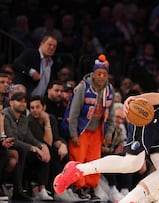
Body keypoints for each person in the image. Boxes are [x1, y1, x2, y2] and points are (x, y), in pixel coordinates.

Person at [60, 54, 115, 200]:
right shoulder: (82, 87)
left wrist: (109, 133)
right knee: (78, 158)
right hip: (81, 129)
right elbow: (73, 113)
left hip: (97, 131)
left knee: (94, 160)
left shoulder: (110, 90)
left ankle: (90, 188)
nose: (101, 77)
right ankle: (77, 188)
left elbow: (112, 114)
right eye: (99, 73)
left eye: (104, 74)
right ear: (93, 73)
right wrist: (73, 134)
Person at [2, 92, 51, 201]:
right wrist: (33, 148)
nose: (23, 104)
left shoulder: (24, 118)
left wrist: (40, 146)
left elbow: (28, 136)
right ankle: (14, 188)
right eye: (19, 101)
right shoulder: (5, 115)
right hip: (5, 146)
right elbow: (12, 138)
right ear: (11, 102)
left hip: (19, 148)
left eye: (24, 101)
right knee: (20, 151)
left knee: (40, 152)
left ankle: (23, 190)